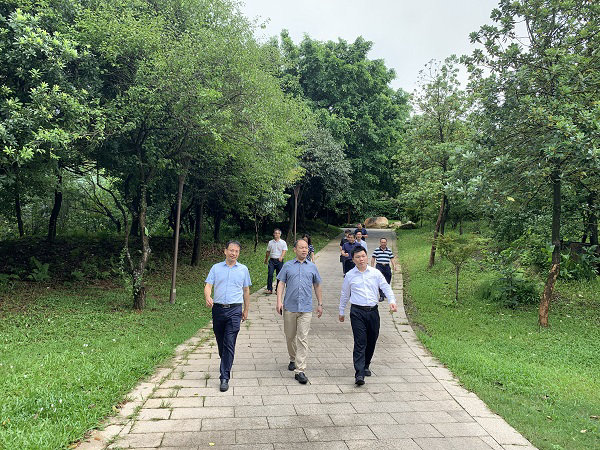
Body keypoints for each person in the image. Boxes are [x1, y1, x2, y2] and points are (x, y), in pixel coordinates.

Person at [339, 246, 397, 385]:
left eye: (363, 256)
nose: (361, 259)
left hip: (373, 311)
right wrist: (341, 311)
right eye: (358, 257)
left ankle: (366, 365)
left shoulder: (375, 273)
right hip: (357, 312)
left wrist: (392, 301)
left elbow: (386, 287)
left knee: (372, 339)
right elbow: (345, 294)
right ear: (353, 259)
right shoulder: (350, 275)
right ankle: (359, 374)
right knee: (360, 341)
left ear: (367, 256)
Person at [204, 240, 251, 392]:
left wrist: (246, 310)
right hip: (218, 309)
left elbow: (246, 291)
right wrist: (208, 296)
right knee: (221, 342)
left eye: (236, 251)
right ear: (225, 251)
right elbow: (208, 285)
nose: (233, 253)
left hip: (235, 310)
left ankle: (224, 377)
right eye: (231, 250)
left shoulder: (243, 269)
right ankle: (225, 360)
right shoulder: (216, 268)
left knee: (229, 342)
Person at [276, 239, 323, 384]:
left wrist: (320, 304)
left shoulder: (312, 267)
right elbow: (281, 283)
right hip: (290, 307)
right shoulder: (288, 266)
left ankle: (300, 370)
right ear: (295, 250)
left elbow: (317, 285)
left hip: (306, 308)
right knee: (290, 336)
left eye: (306, 248)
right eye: (301, 247)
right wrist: (279, 301)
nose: (304, 250)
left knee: (302, 338)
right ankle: (293, 358)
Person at [371, 237, 397, 302]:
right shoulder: (377, 250)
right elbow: (373, 258)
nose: (383, 243)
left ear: (386, 243)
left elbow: (392, 258)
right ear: (380, 243)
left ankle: (385, 292)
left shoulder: (389, 250)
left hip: (387, 266)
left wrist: (394, 266)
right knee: (379, 280)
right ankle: (381, 296)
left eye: (384, 242)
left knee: (388, 279)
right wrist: (372, 267)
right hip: (379, 266)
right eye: (382, 242)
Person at [264, 228, 287, 294]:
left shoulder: (283, 242)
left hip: (279, 260)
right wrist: (266, 259)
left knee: (279, 275)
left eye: (278, 233)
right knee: (270, 274)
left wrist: (281, 256)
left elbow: (284, 250)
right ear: (273, 234)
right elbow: (268, 251)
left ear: (280, 234)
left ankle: (278, 289)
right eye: (275, 233)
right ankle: (269, 289)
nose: (277, 234)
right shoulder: (270, 242)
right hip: (272, 260)